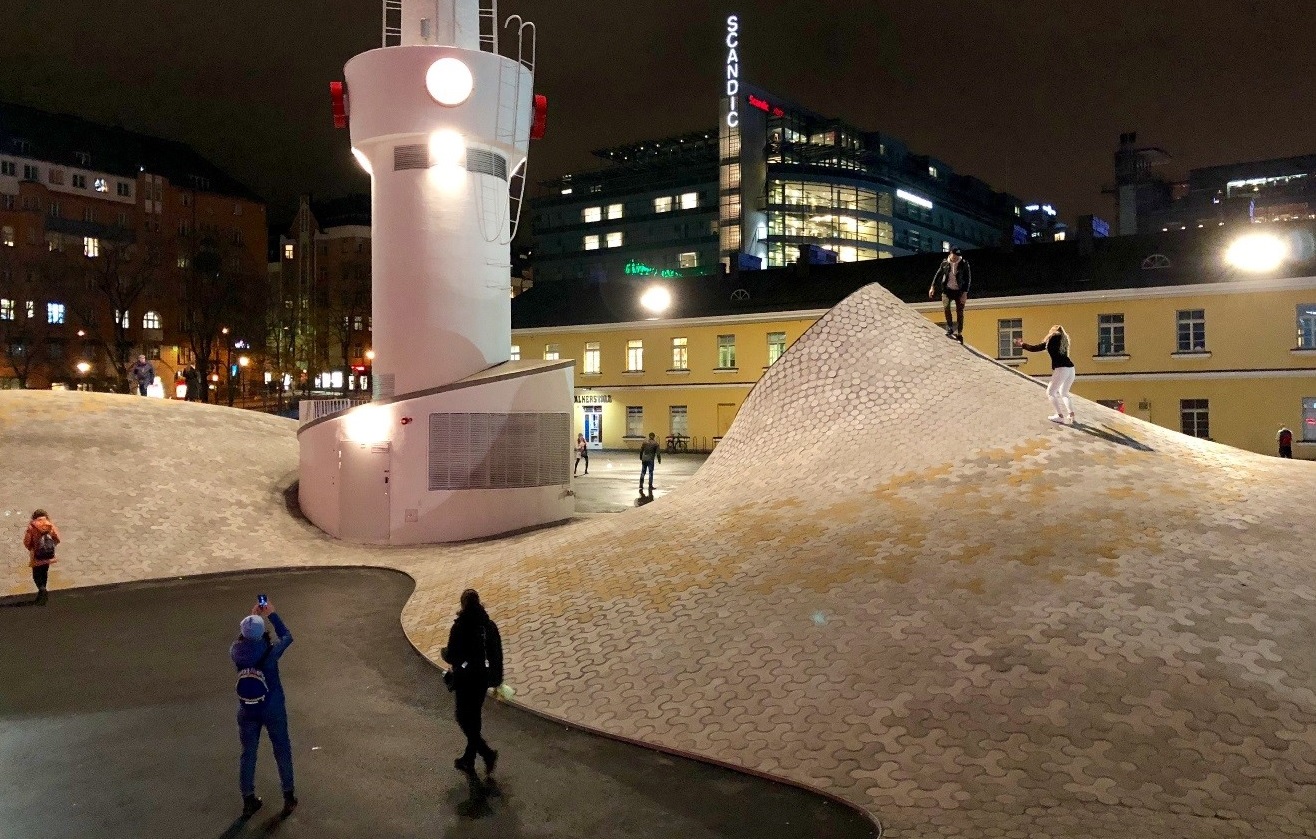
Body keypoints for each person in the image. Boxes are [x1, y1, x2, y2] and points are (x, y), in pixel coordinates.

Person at [230, 601, 297, 819]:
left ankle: (249, 800)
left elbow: (245, 637)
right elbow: (287, 636)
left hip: (247, 709)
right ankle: (288, 796)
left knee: (248, 754)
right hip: (273, 707)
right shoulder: (270, 652)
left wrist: (252, 619)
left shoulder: (235, 652)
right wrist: (272, 616)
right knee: (281, 750)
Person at [442, 589, 503, 775]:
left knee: (462, 717)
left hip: (465, 679)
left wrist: (444, 653)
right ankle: (470, 758)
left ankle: (486, 753)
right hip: (482, 679)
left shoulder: (460, 626)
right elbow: (497, 654)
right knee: (474, 717)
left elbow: (451, 655)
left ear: (463, 604)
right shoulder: (489, 626)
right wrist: (496, 678)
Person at [1015, 325, 1076, 424]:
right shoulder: (1064, 342)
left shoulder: (1052, 339)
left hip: (1061, 369)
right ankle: (1071, 414)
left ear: (1052, 332)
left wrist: (1022, 344)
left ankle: (1059, 415)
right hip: (1071, 369)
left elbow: (1034, 348)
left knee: (1050, 392)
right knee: (1064, 392)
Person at [928, 247, 973, 341]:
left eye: (958, 256)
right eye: (955, 255)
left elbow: (968, 279)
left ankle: (959, 333)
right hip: (947, 290)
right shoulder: (945, 263)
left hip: (959, 291)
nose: (956, 258)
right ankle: (950, 327)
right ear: (950, 253)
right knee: (946, 307)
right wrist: (932, 287)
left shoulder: (963, 264)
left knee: (959, 312)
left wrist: (965, 293)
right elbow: (938, 275)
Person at [21, 509, 60, 605]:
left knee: (36, 575)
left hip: (37, 555)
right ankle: (42, 594)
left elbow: (27, 542)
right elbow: (57, 538)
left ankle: (42, 590)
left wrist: (32, 548)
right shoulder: (50, 525)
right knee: (44, 573)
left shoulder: (32, 527)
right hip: (48, 554)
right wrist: (52, 545)